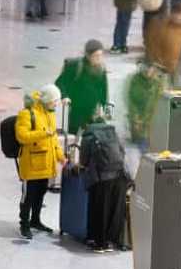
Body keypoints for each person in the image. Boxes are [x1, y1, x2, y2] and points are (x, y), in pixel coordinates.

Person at [14, 85, 65, 240]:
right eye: (54, 101)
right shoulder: (26, 114)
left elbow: (54, 140)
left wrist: (60, 156)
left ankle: (35, 220)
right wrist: (42, 134)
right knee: (28, 195)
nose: (56, 104)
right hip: (31, 164)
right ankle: (24, 223)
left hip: (45, 164)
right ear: (47, 101)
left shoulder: (50, 114)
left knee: (41, 193)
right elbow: (22, 136)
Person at [78, 113, 128, 253]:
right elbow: (122, 152)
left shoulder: (88, 135)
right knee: (113, 209)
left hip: (100, 177)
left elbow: (83, 161)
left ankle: (99, 243)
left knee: (99, 209)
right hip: (119, 176)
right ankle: (110, 241)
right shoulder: (113, 132)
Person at [54, 40, 110, 137]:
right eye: (96, 56)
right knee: (75, 138)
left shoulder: (101, 68)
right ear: (88, 55)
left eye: (100, 55)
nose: (99, 58)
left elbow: (104, 89)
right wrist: (64, 96)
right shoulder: (75, 66)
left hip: (93, 111)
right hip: (77, 110)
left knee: (96, 138)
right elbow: (60, 82)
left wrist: (105, 106)